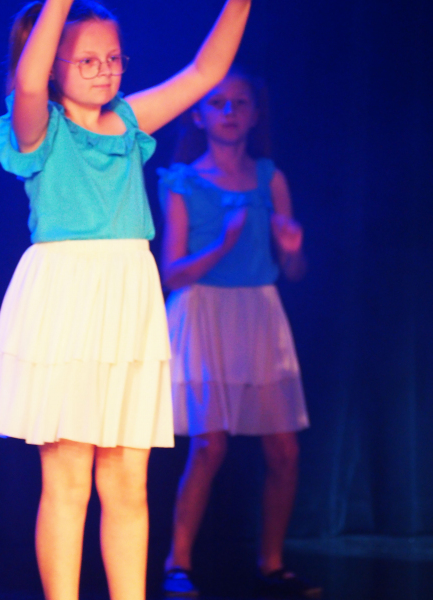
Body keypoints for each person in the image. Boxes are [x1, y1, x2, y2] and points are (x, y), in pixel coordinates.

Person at [0, 3, 252, 600]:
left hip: (129, 298)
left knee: (128, 481)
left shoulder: (129, 121)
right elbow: (28, 82)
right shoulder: (38, 127)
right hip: (67, 298)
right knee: (69, 479)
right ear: (53, 66)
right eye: (86, 60)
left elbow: (204, 72)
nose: (104, 70)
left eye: (112, 58)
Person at [159, 68, 321, 598]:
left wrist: (293, 251)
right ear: (197, 115)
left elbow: (291, 270)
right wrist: (223, 245)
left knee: (285, 450)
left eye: (240, 103)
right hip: (203, 313)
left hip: (258, 313)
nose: (229, 112)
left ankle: (271, 562)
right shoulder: (182, 181)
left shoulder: (270, 178)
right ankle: (178, 562)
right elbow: (172, 272)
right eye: (218, 103)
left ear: (254, 115)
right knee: (209, 445)